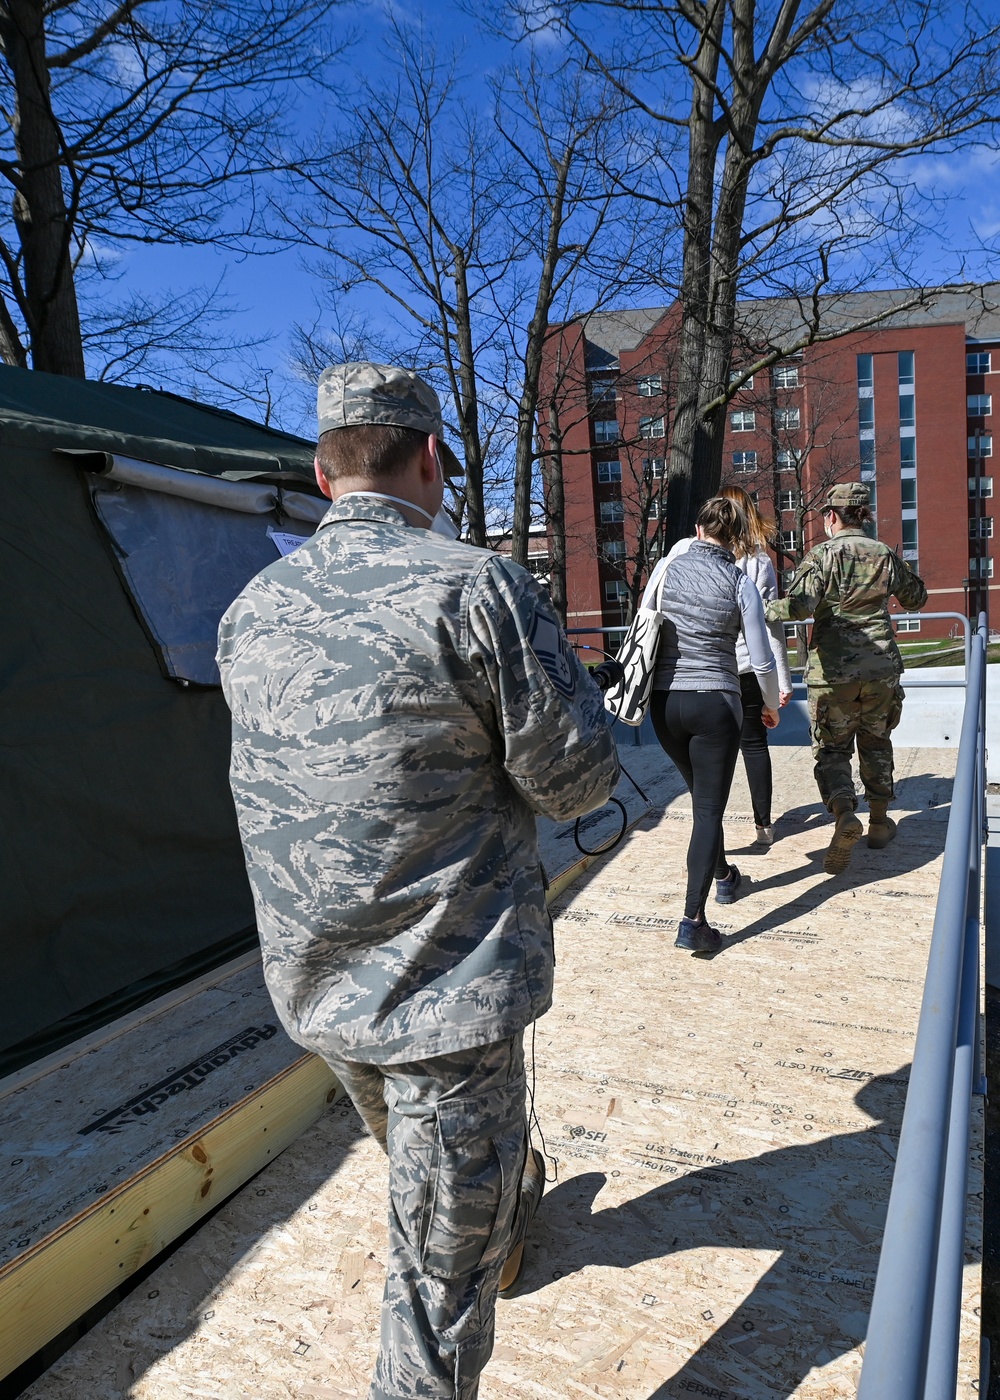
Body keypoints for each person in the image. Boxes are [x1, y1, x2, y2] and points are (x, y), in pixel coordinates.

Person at [216, 362, 620, 1400]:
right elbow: (574, 782)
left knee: (435, 1182)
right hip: (447, 998)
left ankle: (501, 1213)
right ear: (431, 455)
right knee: (435, 1294)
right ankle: (488, 1228)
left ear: (321, 468)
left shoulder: (252, 606)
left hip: (320, 990)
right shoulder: (475, 585)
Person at [641, 495, 782, 954]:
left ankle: (724, 876)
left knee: (703, 798)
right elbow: (760, 659)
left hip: (664, 706)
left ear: (698, 530)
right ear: (736, 538)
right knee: (707, 812)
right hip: (714, 704)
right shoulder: (740, 581)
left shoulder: (665, 569)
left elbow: (642, 625)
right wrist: (770, 704)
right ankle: (692, 923)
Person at [766, 482, 927, 875]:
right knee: (876, 742)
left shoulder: (821, 554)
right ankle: (877, 822)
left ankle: (843, 814)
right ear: (864, 515)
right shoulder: (885, 553)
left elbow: (799, 606)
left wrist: (762, 608)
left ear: (832, 516)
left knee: (832, 750)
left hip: (832, 673)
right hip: (880, 670)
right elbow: (916, 599)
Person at [649, 484, 794, 845]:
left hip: (683, 675)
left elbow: (652, 608)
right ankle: (763, 826)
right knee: (755, 745)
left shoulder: (681, 551)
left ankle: (714, 852)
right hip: (741, 671)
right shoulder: (758, 563)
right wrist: (780, 685)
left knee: (705, 778)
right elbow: (770, 628)